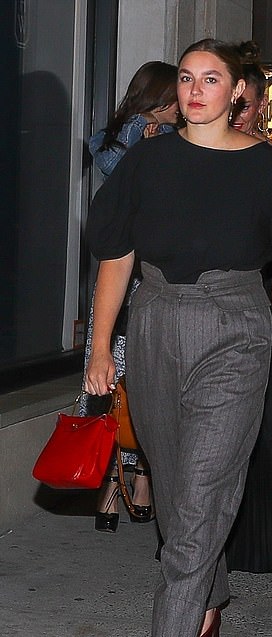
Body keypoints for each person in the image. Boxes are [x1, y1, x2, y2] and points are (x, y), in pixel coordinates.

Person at [84, 38, 272, 637]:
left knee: (201, 487)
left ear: (237, 94)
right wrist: (99, 347)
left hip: (235, 327)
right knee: (176, 489)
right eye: (187, 79)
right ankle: (210, 596)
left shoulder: (267, 167)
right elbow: (116, 258)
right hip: (155, 322)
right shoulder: (147, 161)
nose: (196, 89)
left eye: (212, 79)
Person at [82, 60, 180, 532]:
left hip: (159, 275)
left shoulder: (184, 141)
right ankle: (108, 482)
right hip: (120, 275)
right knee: (107, 380)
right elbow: (116, 170)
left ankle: (142, 476)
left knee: (149, 383)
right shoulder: (116, 139)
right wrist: (145, 127)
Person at [224, 41, 272, 573]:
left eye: (246, 106)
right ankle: (203, 538)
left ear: (262, 107)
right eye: (234, 104)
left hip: (269, 308)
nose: (239, 115)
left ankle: (255, 543)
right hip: (213, 309)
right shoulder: (197, 154)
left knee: (263, 425)